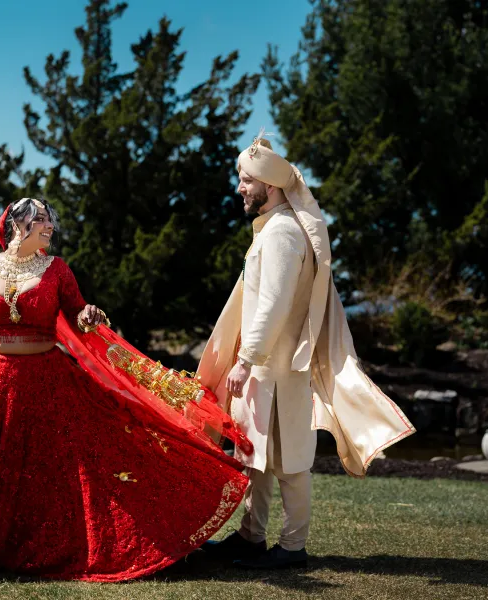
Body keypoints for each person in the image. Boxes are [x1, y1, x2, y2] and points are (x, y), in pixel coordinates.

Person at [0, 197, 252, 582]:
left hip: (49, 384)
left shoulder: (57, 270)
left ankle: (41, 551)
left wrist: (88, 314)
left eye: (51, 221)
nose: (50, 226)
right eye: (41, 219)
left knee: (59, 470)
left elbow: (76, 315)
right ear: (17, 224)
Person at [197, 132, 416, 569]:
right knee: (254, 456)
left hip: (276, 368)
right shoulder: (275, 229)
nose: (240, 188)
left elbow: (274, 306)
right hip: (267, 368)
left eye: (245, 180)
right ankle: (250, 537)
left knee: (290, 460)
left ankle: (293, 547)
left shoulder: (281, 234)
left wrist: (246, 360)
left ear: (269, 185)